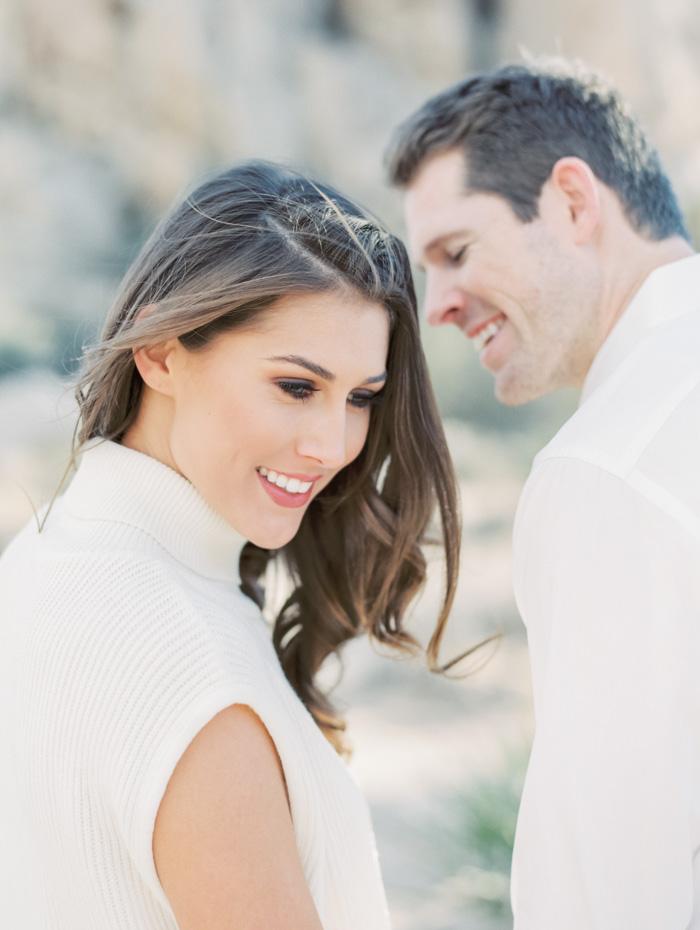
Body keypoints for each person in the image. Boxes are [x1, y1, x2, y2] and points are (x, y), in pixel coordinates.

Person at [0, 160, 461, 930]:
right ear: (161, 351)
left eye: (361, 399)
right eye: (295, 386)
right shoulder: (187, 664)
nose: (332, 444)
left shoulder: (40, 559)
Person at [387, 59, 700, 928]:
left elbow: (608, 890)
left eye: (455, 253)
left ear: (571, 201)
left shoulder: (608, 469)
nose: (437, 306)